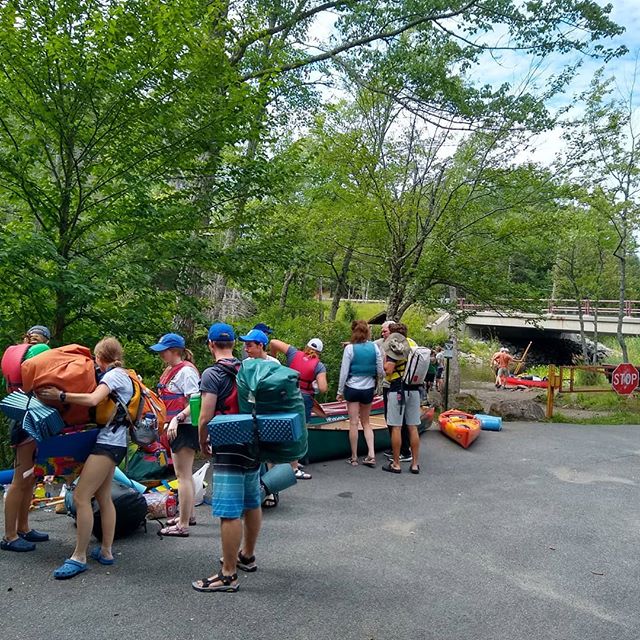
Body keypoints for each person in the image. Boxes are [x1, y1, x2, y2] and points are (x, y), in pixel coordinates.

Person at [36, 337, 130, 578]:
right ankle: (106, 551)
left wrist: (61, 395)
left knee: (80, 496)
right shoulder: (123, 374)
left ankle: (79, 556)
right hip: (115, 443)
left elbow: (92, 400)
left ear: (100, 357)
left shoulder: (113, 376)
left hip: (107, 445)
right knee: (103, 496)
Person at [192, 323, 262, 593]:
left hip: (228, 443)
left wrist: (202, 441)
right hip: (253, 442)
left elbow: (205, 415)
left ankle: (228, 574)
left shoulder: (212, 374)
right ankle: (247, 556)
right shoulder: (248, 367)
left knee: (229, 512)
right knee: (252, 501)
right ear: (233, 343)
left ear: (210, 344)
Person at [1, 326, 52, 552]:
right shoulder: (41, 350)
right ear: (46, 340)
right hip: (30, 418)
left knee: (30, 478)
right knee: (21, 479)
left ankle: (23, 527)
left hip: (21, 416)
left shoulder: (15, 356)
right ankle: (10, 536)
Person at [150, 333, 200, 537]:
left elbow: (196, 401)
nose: (161, 354)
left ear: (175, 351)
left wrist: (177, 419)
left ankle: (183, 524)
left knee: (183, 476)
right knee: (182, 474)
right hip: (174, 427)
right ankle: (189, 515)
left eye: (164, 351)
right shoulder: (170, 370)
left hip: (184, 427)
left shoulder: (186, 372)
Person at [269, 337, 328, 480]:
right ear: (319, 352)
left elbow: (273, 342)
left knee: (282, 426)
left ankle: (279, 460)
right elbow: (323, 388)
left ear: (306, 346)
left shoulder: (293, 353)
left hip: (286, 393)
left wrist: (274, 360)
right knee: (298, 432)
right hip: (304, 399)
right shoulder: (319, 366)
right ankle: (294, 467)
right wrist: (313, 384)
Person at [337, 320, 383, 467]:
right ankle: (371, 454)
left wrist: (340, 391)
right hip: (368, 388)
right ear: (367, 332)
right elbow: (381, 370)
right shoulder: (374, 347)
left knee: (353, 422)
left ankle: (354, 457)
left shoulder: (349, 349)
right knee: (366, 422)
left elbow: (344, 372)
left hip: (352, 388)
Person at [381, 330, 421, 475]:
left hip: (398, 389)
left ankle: (396, 464)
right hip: (414, 389)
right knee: (413, 427)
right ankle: (415, 464)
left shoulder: (395, 345)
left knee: (396, 427)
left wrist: (384, 364)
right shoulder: (413, 344)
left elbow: (389, 371)